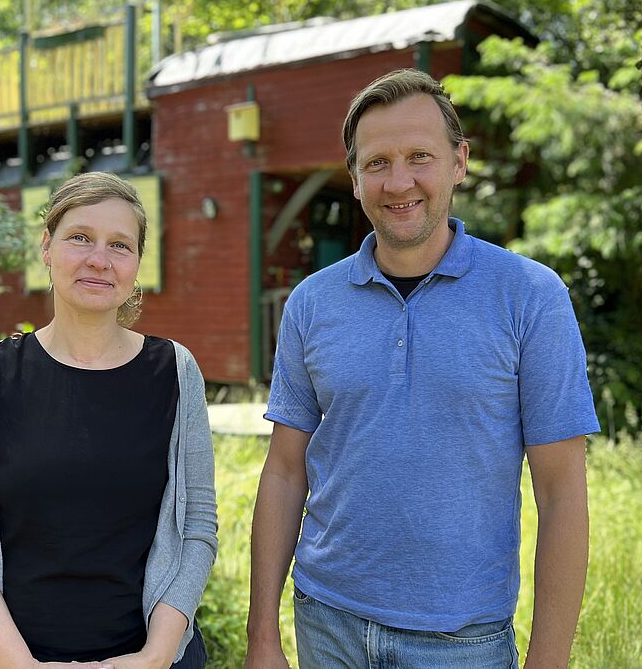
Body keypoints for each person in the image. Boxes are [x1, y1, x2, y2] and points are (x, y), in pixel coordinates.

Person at [244, 69, 599, 669]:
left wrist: (549, 660)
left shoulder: (530, 296)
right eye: (377, 163)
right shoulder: (311, 302)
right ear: (354, 179)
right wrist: (261, 639)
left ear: (459, 162)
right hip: (326, 623)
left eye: (419, 157)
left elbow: (562, 492)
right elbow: (283, 471)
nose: (398, 181)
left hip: (464, 640)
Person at [0, 172, 218, 669]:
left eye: (119, 244)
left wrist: (156, 657)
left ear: (137, 262)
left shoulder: (175, 372)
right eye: (80, 237)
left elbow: (196, 530)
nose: (99, 258)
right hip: (3, 660)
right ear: (47, 249)